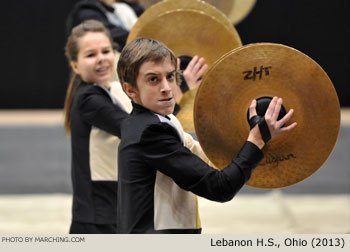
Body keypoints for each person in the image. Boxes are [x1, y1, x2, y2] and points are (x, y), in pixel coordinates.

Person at [116, 37, 297, 234]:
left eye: (170, 76)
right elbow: (220, 187)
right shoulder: (150, 133)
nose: (167, 87)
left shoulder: (157, 120)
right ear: (130, 90)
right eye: (153, 79)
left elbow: (212, 157)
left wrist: (251, 134)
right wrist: (256, 140)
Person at [63, 19, 130, 234]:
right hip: (97, 221)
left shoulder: (112, 90)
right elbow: (134, 129)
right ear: (75, 65)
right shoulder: (89, 99)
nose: (101, 59)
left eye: (106, 51)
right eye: (91, 55)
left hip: (113, 212)